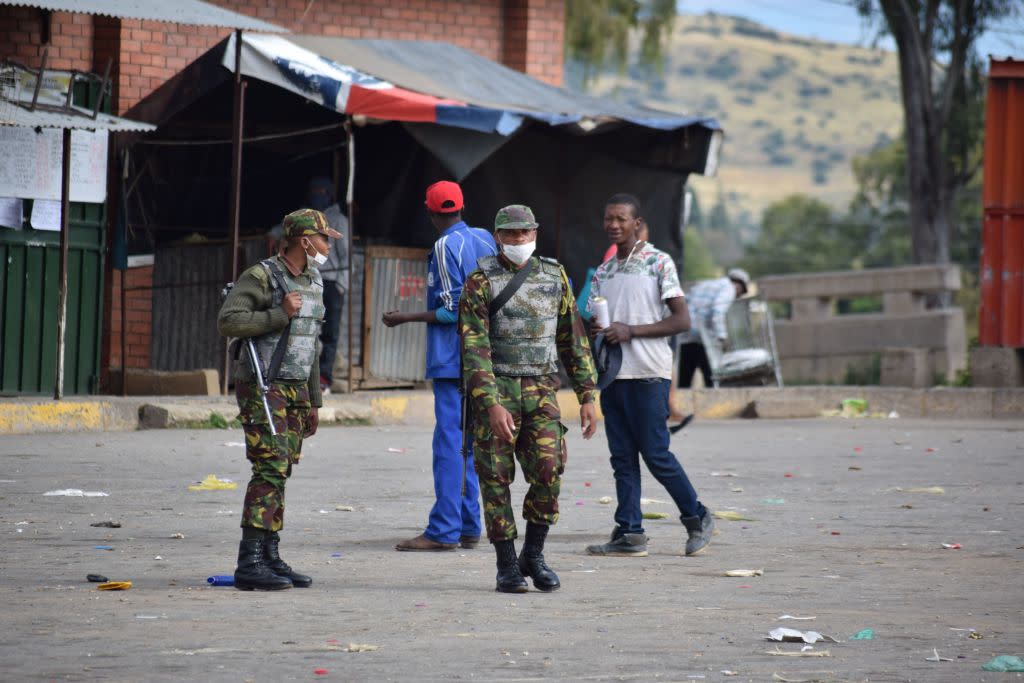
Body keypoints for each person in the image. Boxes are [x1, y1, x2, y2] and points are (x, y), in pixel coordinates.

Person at [460, 204, 598, 593]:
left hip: (541, 390)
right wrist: (489, 403)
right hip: (498, 391)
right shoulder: (480, 280)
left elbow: (573, 337)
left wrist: (588, 394)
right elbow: (475, 347)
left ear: (535, 232)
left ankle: (533, 555)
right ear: (497, 235)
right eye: (510, 234)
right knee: (495, 477)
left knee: (549, 468)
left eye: (524, 233)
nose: (518, 240)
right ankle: (506, 564)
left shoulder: (554, 276)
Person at [585, 193, 714, 558]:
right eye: (609, 218)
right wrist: (600, 329)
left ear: (637, 223)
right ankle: (630, 532)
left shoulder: (658, 262)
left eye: (621, 219)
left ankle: (697, 516)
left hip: (648, 374)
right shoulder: (604, 271)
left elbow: (681, 321)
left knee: (656, 453)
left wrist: (631, 331)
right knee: (622, 457)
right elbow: (598, 319)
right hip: (614, 376)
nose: (614, 225)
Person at [218, 208, 341, 590]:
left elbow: (311, 346)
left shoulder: (314, 280)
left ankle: (270, 555)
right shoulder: (263, 276)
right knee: (269, 467)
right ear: (305, 241)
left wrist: (314, 401)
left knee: (281, 469)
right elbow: (229, 321)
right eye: (324, 239)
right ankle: (249, 562)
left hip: (294, 388)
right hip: (263, 385)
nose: (328, 246)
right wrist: (277, 314)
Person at [383, 181, 497, 552]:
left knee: (450, 442)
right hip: (482, 357)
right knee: (467, 443)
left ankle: (444, 529)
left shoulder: (445, 245)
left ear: (430, 212)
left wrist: (405, 317)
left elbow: (455, 310)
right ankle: (468, 524)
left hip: (454, 358)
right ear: (462, 207)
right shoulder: (484, 238)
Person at [269, 177, 350, 394]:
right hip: (307, 279)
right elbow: (280, 230)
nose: (318, 194)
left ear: (330, 194)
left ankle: (323, 378)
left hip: (332, 281)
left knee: (330, 333)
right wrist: (272, 237)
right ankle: (296, 374)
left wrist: (341, 286)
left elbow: (346, 256)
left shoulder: (338, 219)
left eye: (322, 191)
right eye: (315, 190)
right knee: (303, 328)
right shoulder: (303, 215)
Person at [676, 268, 751, 388]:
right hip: (704, 339)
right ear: (739, 286)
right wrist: (722, 336)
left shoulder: (705, 284)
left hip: (687, 335)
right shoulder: (729, 288)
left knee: (684, 380)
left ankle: (681, 405)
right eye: (740, 293)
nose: (737, 295)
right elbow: (717, 312)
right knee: (712, 378)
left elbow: (685, 302)